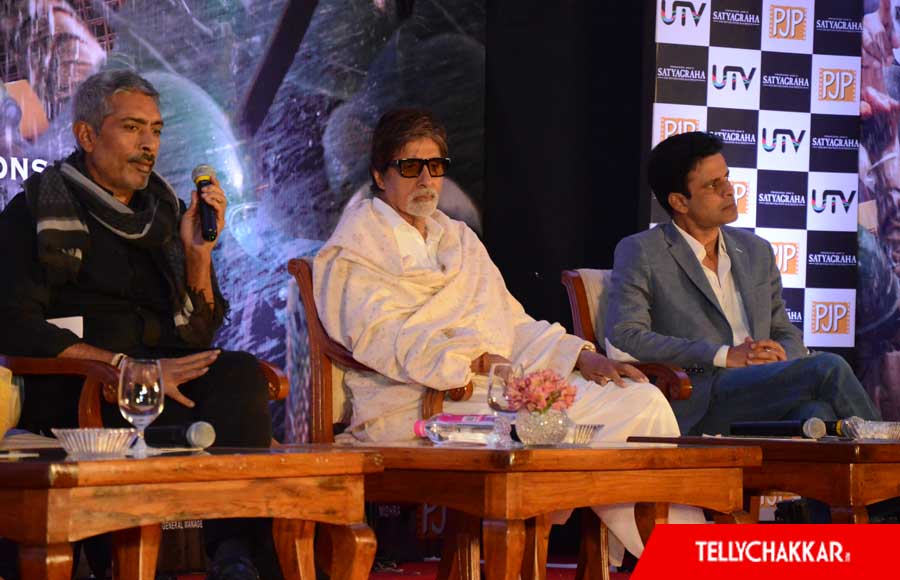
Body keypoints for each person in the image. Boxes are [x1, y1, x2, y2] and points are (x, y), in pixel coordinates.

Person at [313, 108, 706, 565]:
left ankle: (680, 561)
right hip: (415, 402)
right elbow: (377, 333)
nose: (425, 179)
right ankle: (674, 564)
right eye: (409, 166)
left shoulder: (458, 240)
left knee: (639, 401)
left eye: (435, 167)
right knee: (543, 428)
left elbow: (510, 322)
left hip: (491, 391)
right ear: (380, 176)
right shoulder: (354, 249)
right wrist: (463, 359)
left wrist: (581, 357)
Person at [0, 70, 273, 580]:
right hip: (78, 388)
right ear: (86, 135)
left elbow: (195, 335)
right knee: (183, 398)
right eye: (132, 128)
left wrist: (198, 256)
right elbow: (15, 325)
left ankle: (237, 554)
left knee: (237, 373)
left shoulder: (163, 214)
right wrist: (127, 371)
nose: (149, 144)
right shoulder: (37, 209)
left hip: (158, 383)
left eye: (156, 129)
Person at [605, 131, 880, 437]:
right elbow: (626, 333)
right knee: (828, 367)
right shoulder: (643, 250)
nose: (729, 190)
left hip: (764, 384)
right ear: (679, 201)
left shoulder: (755, 250)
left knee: (817, 415)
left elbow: (783, 328)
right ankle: (892, 461)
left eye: (727, 177)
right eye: (713, 185)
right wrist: (723, 354)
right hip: (702, 394)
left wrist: (781, 353)